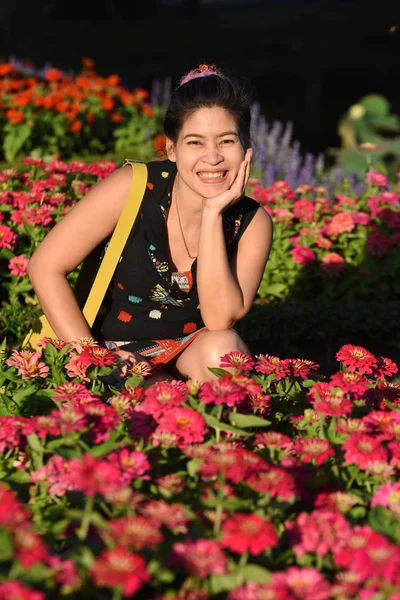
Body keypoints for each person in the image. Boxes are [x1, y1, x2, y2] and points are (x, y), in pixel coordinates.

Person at [27, 64, 273, 384]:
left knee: (224, 350)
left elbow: (219, 319)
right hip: (111, 351)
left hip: (190, 352)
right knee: (147, 394)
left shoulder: (252, 222)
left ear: (245, 148)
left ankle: (225, 432)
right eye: (195, 143)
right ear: (172, 148)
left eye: (226, 141)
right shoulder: (135, 187)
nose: (212, 158)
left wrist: (214, 214)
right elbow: (45, 266)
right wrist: (94, 357)